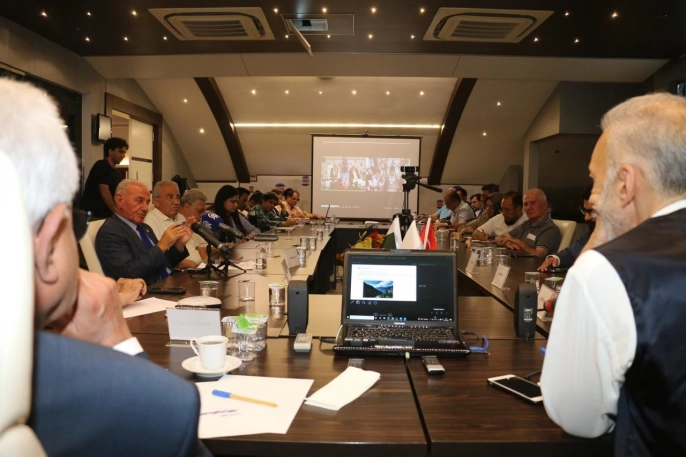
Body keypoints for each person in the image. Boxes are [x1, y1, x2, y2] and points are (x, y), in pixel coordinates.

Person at [0, 78, 202, 457]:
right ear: (48, 241)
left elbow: (158, 264)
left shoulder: (144, 229)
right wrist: (116, 339)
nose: (145, 207)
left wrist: (174, 248)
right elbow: (160, 409)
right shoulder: (163, 406)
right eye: (74, 224)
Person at [541, 93, 686, 454]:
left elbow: (578, 417)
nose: (592, 198)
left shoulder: (608, 269)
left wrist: (602, 233)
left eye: (595, 179)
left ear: (625, 183)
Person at [96, 179, 192, 285]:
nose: (145, 208)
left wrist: (179, 245)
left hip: (167, 283)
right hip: (148, 291)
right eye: (139, 200)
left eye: (147, 202)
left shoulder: (144, 228)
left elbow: (161, 262)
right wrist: (162, 246)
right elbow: (127, 274)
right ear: (119, 201)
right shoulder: (111, 232)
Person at [538, 185, 595, 271]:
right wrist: (555, 259)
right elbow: (571, 253)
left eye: (591, 211)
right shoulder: (591, 231)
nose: (586, 217)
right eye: (585, 211)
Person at [144, 180, 199, 269]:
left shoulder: (181, 217)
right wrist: (192, 265)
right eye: (170, 197)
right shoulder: (150, 221)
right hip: (180, 272)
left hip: (198, 268)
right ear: (155, 201)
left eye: (178, 197)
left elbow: (196, 247)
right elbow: (159, 256)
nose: (176, 202)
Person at [496, 188, 560, 256]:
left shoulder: (550, 229)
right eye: (526, 204)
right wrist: (509, 243)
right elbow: (500, 238)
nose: (528, 208)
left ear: (544, 204)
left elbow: (538, 254)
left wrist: (518, 242)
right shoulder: (526, 224)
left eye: (533, 203)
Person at [80, 137, 127, 218]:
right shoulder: (102, 165)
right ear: (110, 151)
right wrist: (116, 213)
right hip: (94, 215)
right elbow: (105, 193)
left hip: (105, 215)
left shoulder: (117, 173)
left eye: (124, 152)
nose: (123, 155)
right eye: (120, 151)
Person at [178, 188, 211, 262]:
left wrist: (207, 264)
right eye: (199, 211)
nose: (201, 215)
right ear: (187, 207)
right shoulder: (178, 223)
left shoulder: (191, 223)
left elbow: (198, 249)